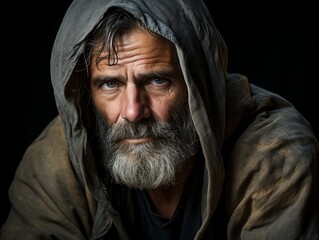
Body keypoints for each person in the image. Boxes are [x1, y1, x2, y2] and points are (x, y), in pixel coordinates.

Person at [1, 0, 318, 239]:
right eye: (110, 84)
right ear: (87, 93)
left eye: (156, 81)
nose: (133, 111)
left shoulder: (275, 154)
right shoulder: (56, 161)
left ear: (198, 83)